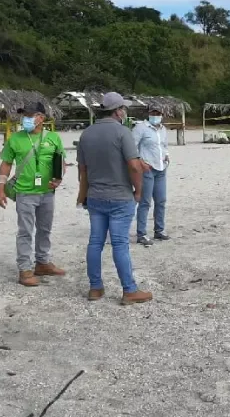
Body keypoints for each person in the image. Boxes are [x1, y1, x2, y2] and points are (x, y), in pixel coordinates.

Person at [76, 92, 152, 304]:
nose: (124, 112)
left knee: (95, 242)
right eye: (123, 109)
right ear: (118, 110)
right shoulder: (122, 132)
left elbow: (82, 170)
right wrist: (138, 191)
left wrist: (84, 194)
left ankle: (95, 287)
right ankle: (129, 290)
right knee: (120, 243)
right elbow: (134, 165)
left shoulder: (87, 134)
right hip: (119, 196)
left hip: (95, 196)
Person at [0, 102, 66, 287]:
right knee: (25, 231)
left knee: (45, 229)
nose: (25, 119)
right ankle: (25, 269)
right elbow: (6, 164)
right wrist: (0, 189)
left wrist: (58, 179)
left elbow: (61, 161)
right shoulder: (15, 139)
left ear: (41, 118)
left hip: (47, 193)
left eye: (29, 115)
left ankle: (42, 263)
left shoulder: (53, 138)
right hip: (25, 192)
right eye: (24, 115)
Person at [133, 105, 170, 246]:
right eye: (153, 112)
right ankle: (141, 233)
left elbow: (164, 145)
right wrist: (141, 162)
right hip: (147, 168)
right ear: (148, 113)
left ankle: (159, 230)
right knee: (145, 202)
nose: (156, 115)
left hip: (161, 168)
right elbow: (132, 146)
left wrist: (167, 156)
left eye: (158, 113)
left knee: (161, 201)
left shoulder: (163, 129)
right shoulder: (140, 128)